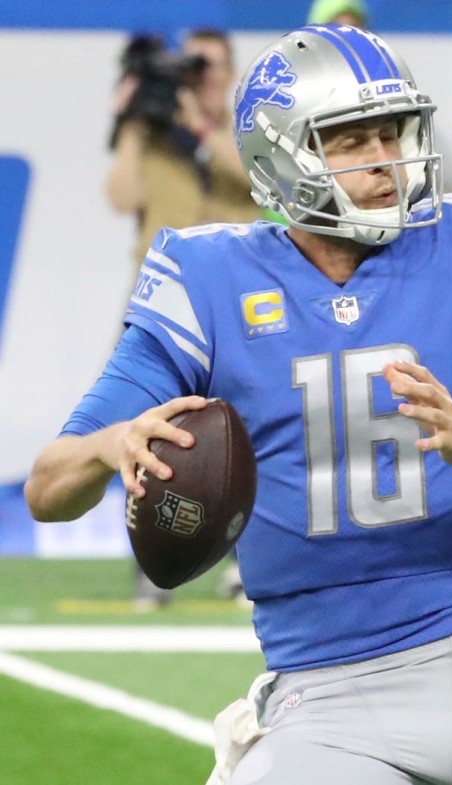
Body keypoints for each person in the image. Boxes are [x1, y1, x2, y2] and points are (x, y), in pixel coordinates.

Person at [26, 26, 452, 785]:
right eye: (351, 139)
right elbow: (46, 488)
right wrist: (111, 445)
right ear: (280, 156)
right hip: (321, 688)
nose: (386, 160)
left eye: (393, 132)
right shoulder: (204, 276)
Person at [105, 27, 261, 609]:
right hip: (160, 297)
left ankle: (247, 563)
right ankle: (152, 559)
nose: (200, 77)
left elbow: (255, 182)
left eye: (210, 66)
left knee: (250, 428)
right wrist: (131, 126)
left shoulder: (249, 132)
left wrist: (200, 123)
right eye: (191, 66)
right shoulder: (157, 138)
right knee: (148, 426)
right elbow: (121, 198)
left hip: (239, 296)